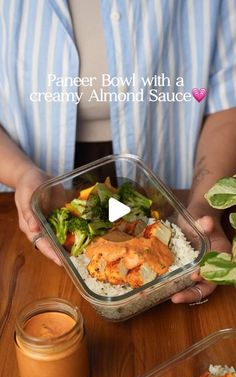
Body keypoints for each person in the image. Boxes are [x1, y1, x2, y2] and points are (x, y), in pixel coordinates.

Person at [0, 0, 235, 304]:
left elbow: (228, 98)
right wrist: (22, 175)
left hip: (173, 192)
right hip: (27, 192)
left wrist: (203, 208)